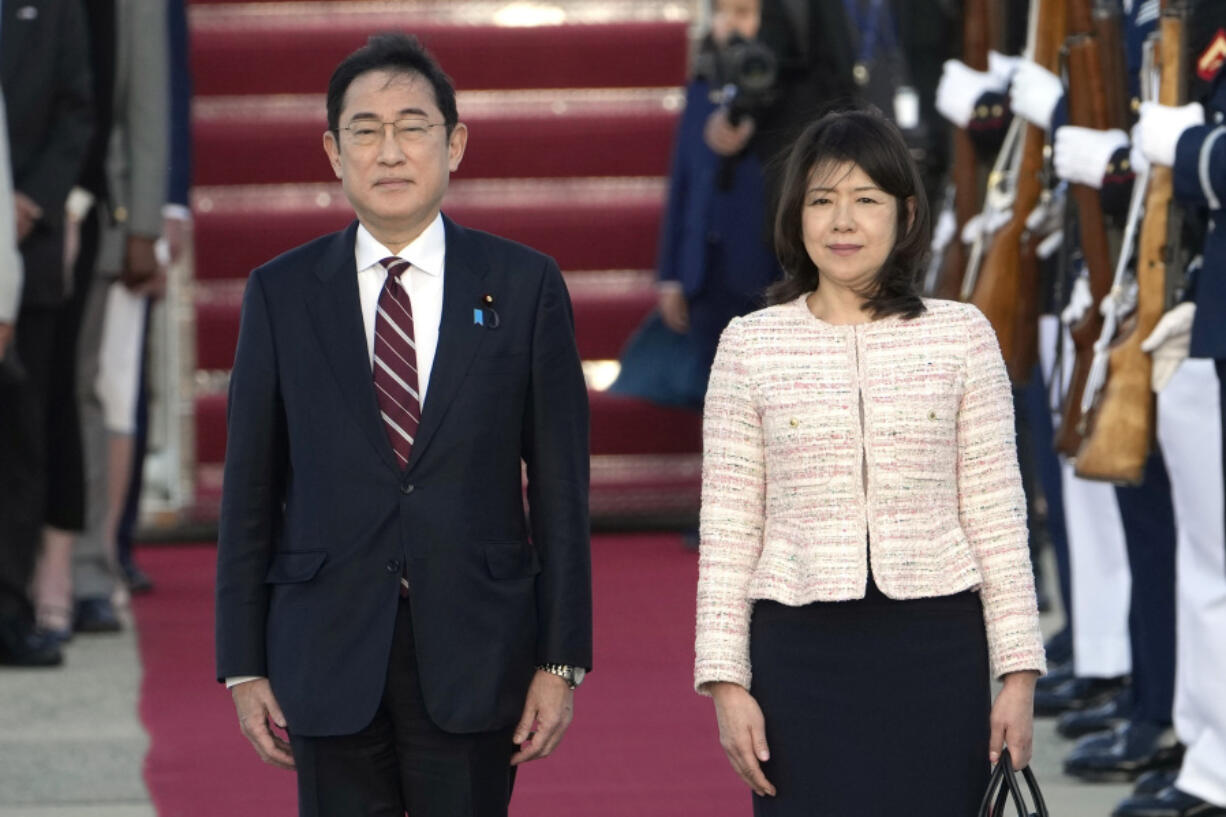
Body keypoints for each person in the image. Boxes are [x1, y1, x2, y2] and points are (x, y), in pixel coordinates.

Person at [214, 33, 593, 817]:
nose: (390, 150)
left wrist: (561, 659)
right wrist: (242, 663)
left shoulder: (524, 286)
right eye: (365, 129)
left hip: (477, 646)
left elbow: (560, 491)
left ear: (454, 144)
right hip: (324, 647)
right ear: (332, 150)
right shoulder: (280, 294)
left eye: (413, 125)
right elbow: (249, 491)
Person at [694, 109, 1046, 816]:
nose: (842, 222)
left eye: (866, 200)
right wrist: (727, 683)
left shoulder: (962, 337)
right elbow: (730, 526)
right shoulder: (750, 345)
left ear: (905, 213)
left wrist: (1018, 673)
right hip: (798, 653)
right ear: (797, 216)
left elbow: (998, 516)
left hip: (936, 649)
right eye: (822, 200)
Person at [0, 0, 94, 667]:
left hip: (25, 253)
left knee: (19, 438)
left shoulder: (56, 8)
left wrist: (27, 201)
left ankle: (9, 608)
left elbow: (78, 109)